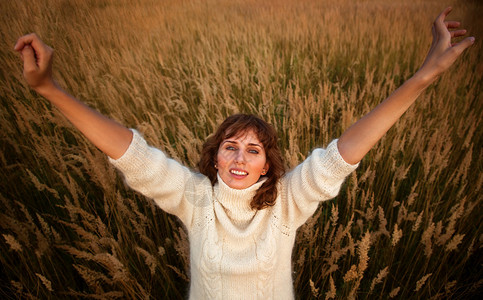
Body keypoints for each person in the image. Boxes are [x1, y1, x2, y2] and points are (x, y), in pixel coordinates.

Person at [14, 7, 473, 299]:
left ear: (269, 165)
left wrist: (424, 76)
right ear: (214, 159)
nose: (239, 158)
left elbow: (346, 151)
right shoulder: (196, 199)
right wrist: (50, 89)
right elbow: (133, 153)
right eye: (229, 147)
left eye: (253, 150)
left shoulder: (287, 203)